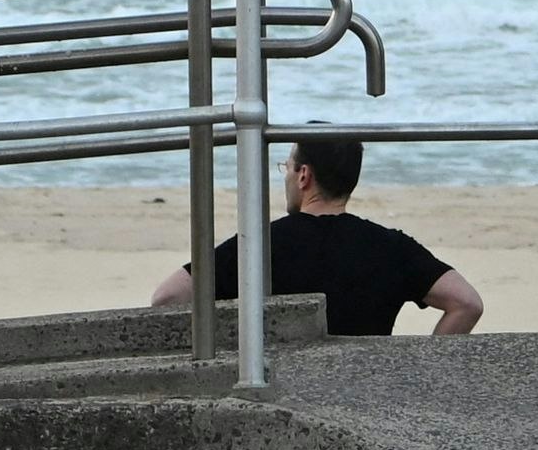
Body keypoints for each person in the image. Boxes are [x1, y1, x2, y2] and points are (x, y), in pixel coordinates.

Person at [148, 137, 481, 336]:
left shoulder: (260, 244)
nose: (287, 177)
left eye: (288, 167)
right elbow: (466, 304)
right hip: (366, 399)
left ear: (304, 175)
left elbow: (167, 298)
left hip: (280, 393)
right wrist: (424, 369)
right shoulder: (392, 247)